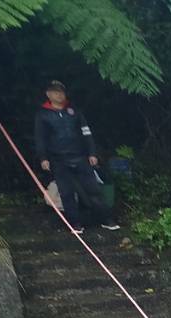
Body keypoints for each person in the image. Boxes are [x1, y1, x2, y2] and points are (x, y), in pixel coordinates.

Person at [32, 81, 120, 234]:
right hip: (58, 159)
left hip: (80, 157)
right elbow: (40, 138)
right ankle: (75, 224)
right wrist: (43, 158)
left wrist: (92, 152)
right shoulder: (43, 115)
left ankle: (106, 220)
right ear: (48, 94)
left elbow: (87, 133)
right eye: (55, 92)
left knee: (93, 190)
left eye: (61, 92)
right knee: (66, 193)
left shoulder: (74, 111)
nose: (59, 95)